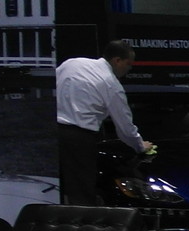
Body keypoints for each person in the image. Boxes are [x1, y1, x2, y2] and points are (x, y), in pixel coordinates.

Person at [54, 40, 149, 207]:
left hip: (53, 132)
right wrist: (140, 146)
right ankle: (82, 222)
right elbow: (125, 128)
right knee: (81, 192)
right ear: (117, 60)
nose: (129, 69)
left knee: (53, 187)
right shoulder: (111, 84)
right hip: (80, 138)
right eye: (128, 64)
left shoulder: (72, 63)